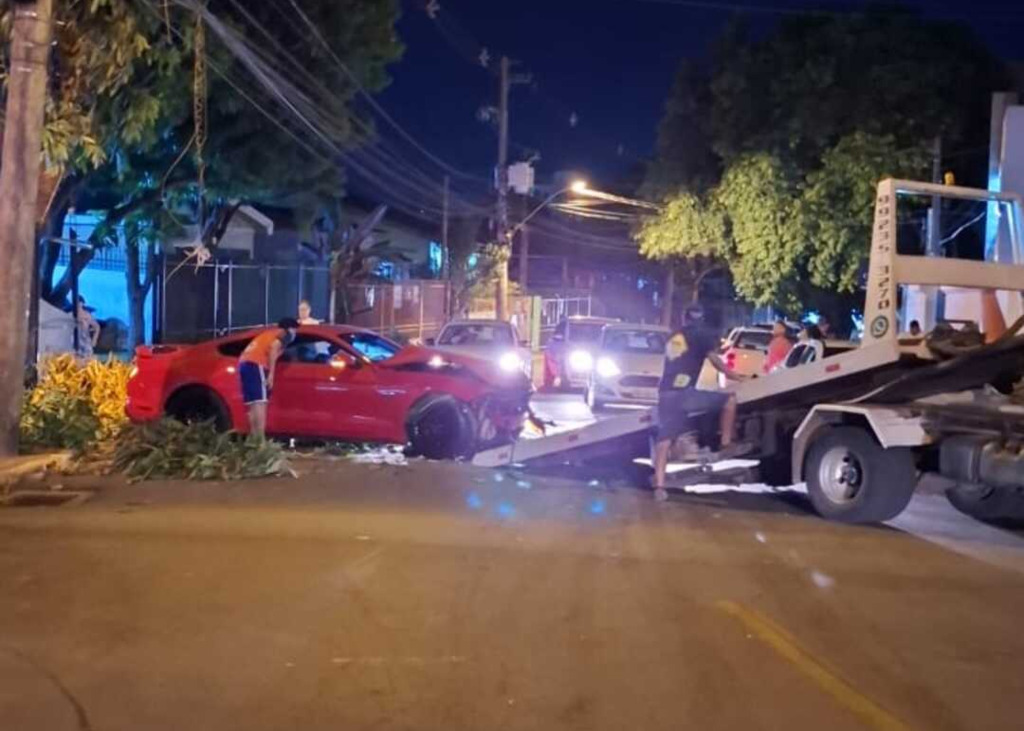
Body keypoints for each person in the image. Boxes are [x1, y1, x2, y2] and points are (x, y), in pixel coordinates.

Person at [652, 304, 747, 501]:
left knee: (663, 442)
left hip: (666, 393)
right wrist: (736, 377)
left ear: (684, 318)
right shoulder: (702, 335)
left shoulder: (674, 336)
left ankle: (659, 487)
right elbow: (716, 362)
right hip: (686, 394)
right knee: (729, 399)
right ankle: (726, 442)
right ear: (700, 319)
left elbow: (673, 361)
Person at [238, 317, 299, 439]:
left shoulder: (268, 334)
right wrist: (271, 374)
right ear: (287, 329)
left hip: (244, 363)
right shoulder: (281, 335)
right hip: (256, 364)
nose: (295, 333)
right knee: (261, 403)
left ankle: (254, 439)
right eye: (294, 330)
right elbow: (273, 348)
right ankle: (260, 439)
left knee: (253, 404)